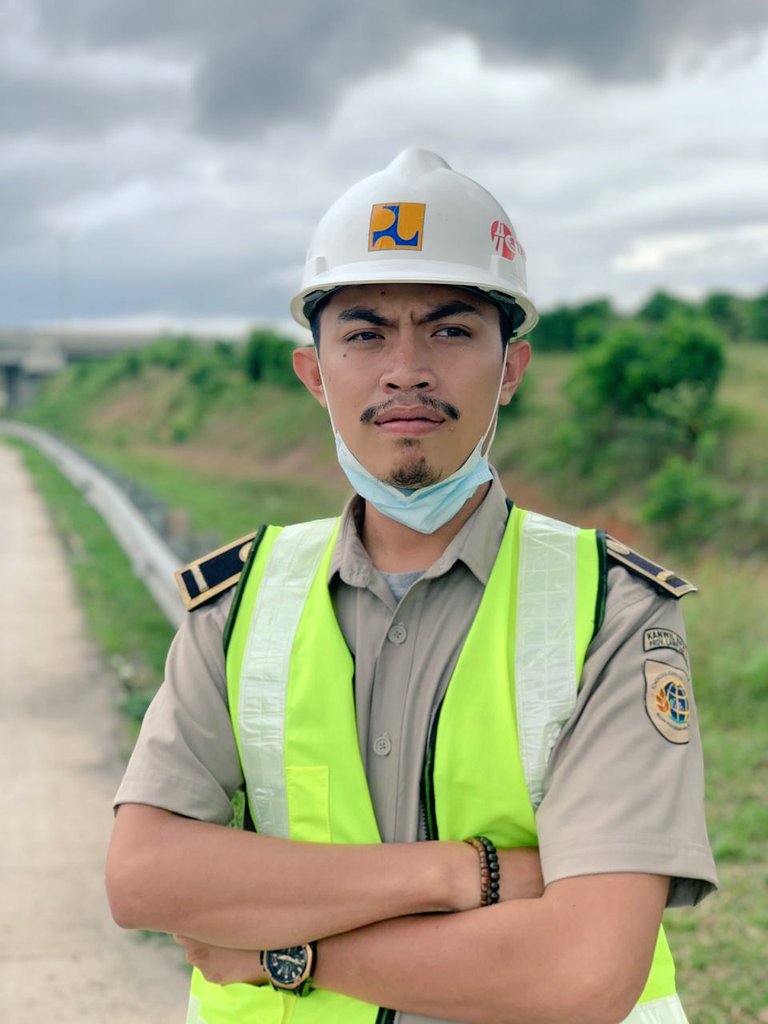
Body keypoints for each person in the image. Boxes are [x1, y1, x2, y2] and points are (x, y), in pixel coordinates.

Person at [106, 149, 717, 1024]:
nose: (407, 369)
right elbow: (143, 877)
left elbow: (583, 971)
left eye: (452, 329)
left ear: (511, 369)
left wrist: (285, 952)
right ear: (314, 373)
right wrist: (469, 873)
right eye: (364, 333)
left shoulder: (612, 610)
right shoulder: (242, 603)